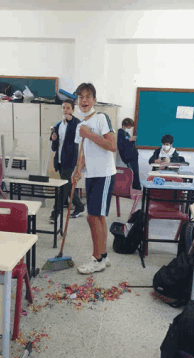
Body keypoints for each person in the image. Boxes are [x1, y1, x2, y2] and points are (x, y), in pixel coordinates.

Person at [72, 82, 117, 274]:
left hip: (104, 173)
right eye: (80, 97)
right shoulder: (80, 125)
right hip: (91, 174)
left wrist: (89, 134)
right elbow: (82, 152)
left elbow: (112, 146)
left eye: (87, 96)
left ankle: (96, 258)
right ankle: (103, 257)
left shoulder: (101, 118)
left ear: (94, 100)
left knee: (93, 217)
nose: (84, 100)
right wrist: (77, 170)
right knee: (98, 217)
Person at [49, 98, 85, 223]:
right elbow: (54, 148)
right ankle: (79, 206)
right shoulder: (58, 125)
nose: (65, 110)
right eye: (63, 108)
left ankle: (55, 213)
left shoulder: (77, 124)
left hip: (70, 161)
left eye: (68, 108)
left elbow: (77, 139)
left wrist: (70, 122)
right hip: (59, 160)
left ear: (73, 110)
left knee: (63, 188)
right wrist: (54, 140)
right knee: (68, 186)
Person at [117, 118, 141, 190]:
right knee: (132, 172)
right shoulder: (120, 132)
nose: (130, 127)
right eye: (130, 126)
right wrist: (129, 140)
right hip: (128, 157)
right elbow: (121, 145)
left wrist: (131, 139)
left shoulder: (125, 133)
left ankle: (136, 187)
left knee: (135, 172)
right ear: (126, 124)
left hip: (133, 156)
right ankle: (133, 188)